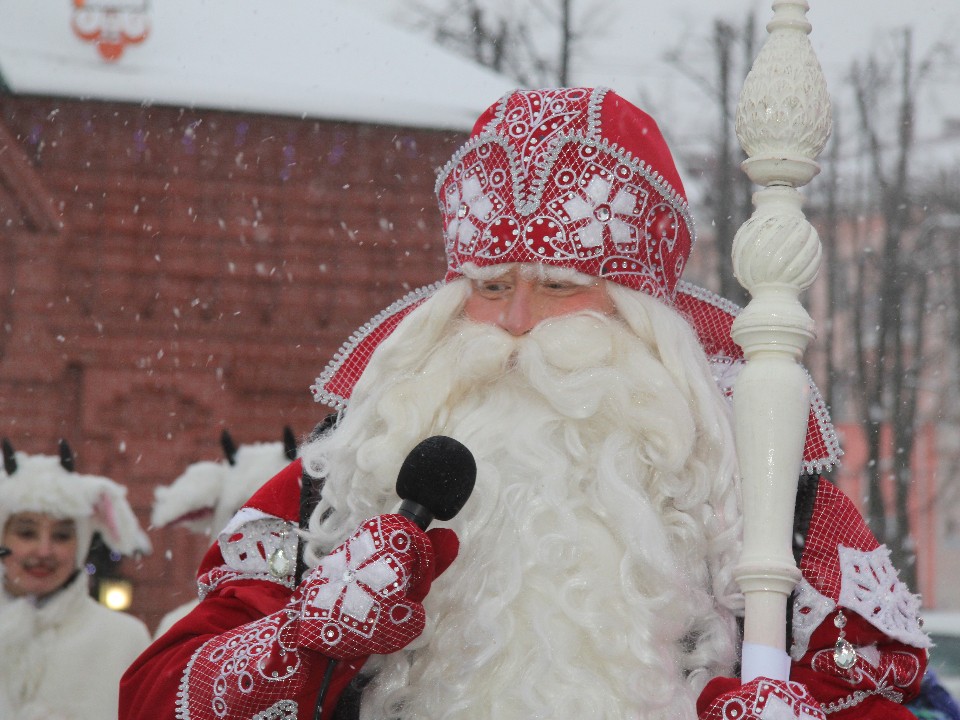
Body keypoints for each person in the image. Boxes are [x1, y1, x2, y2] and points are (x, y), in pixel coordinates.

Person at [120, 87, 931, 720]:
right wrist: (298, 646)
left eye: (560, 287)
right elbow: (153, 698)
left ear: (642, 316)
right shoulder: (337, 483)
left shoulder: (766, 501)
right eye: (490, 286)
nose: (515, 324)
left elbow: (898, 701)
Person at [1, 438, 153, 720]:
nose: (44, 551)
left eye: (61, 535)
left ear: (81, 543)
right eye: (26, 532)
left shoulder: (123, 640)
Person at [150, 428, 298, 638]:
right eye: (241, 518)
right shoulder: (178, 626)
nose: (256, 537)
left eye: (273, 521)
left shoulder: (314, 625)